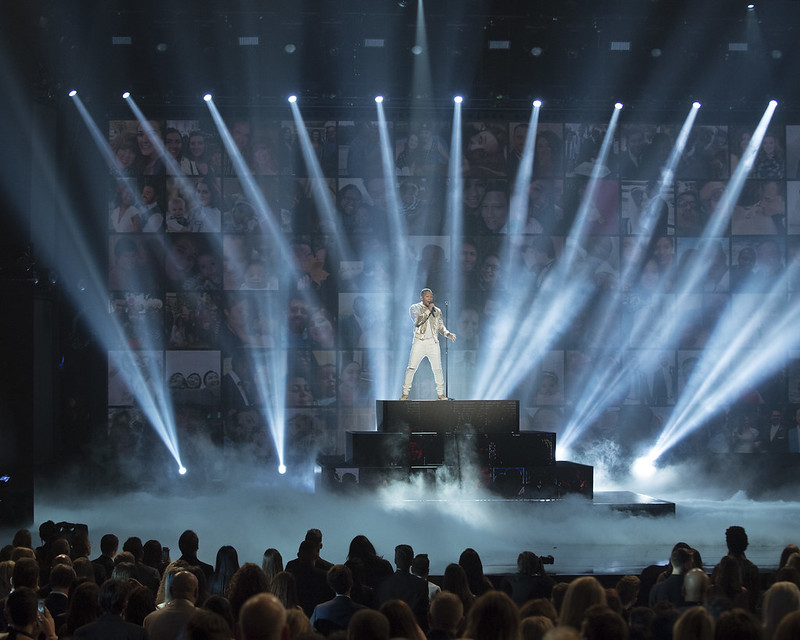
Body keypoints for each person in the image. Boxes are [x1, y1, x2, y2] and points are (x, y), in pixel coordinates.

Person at [400, 288, 456, 400]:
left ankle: (440, 394)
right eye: (427, 296)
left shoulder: (437, 311)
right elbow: (417, 321)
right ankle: (405, 394)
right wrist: (428, 310)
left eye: (431, 296)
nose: (430, 298)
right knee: (411, 368)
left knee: (438, 369)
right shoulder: (415, 308)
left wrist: (447, 333)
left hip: (433, 342)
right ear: (422, 297)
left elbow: (440, 326)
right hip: (419, 341)